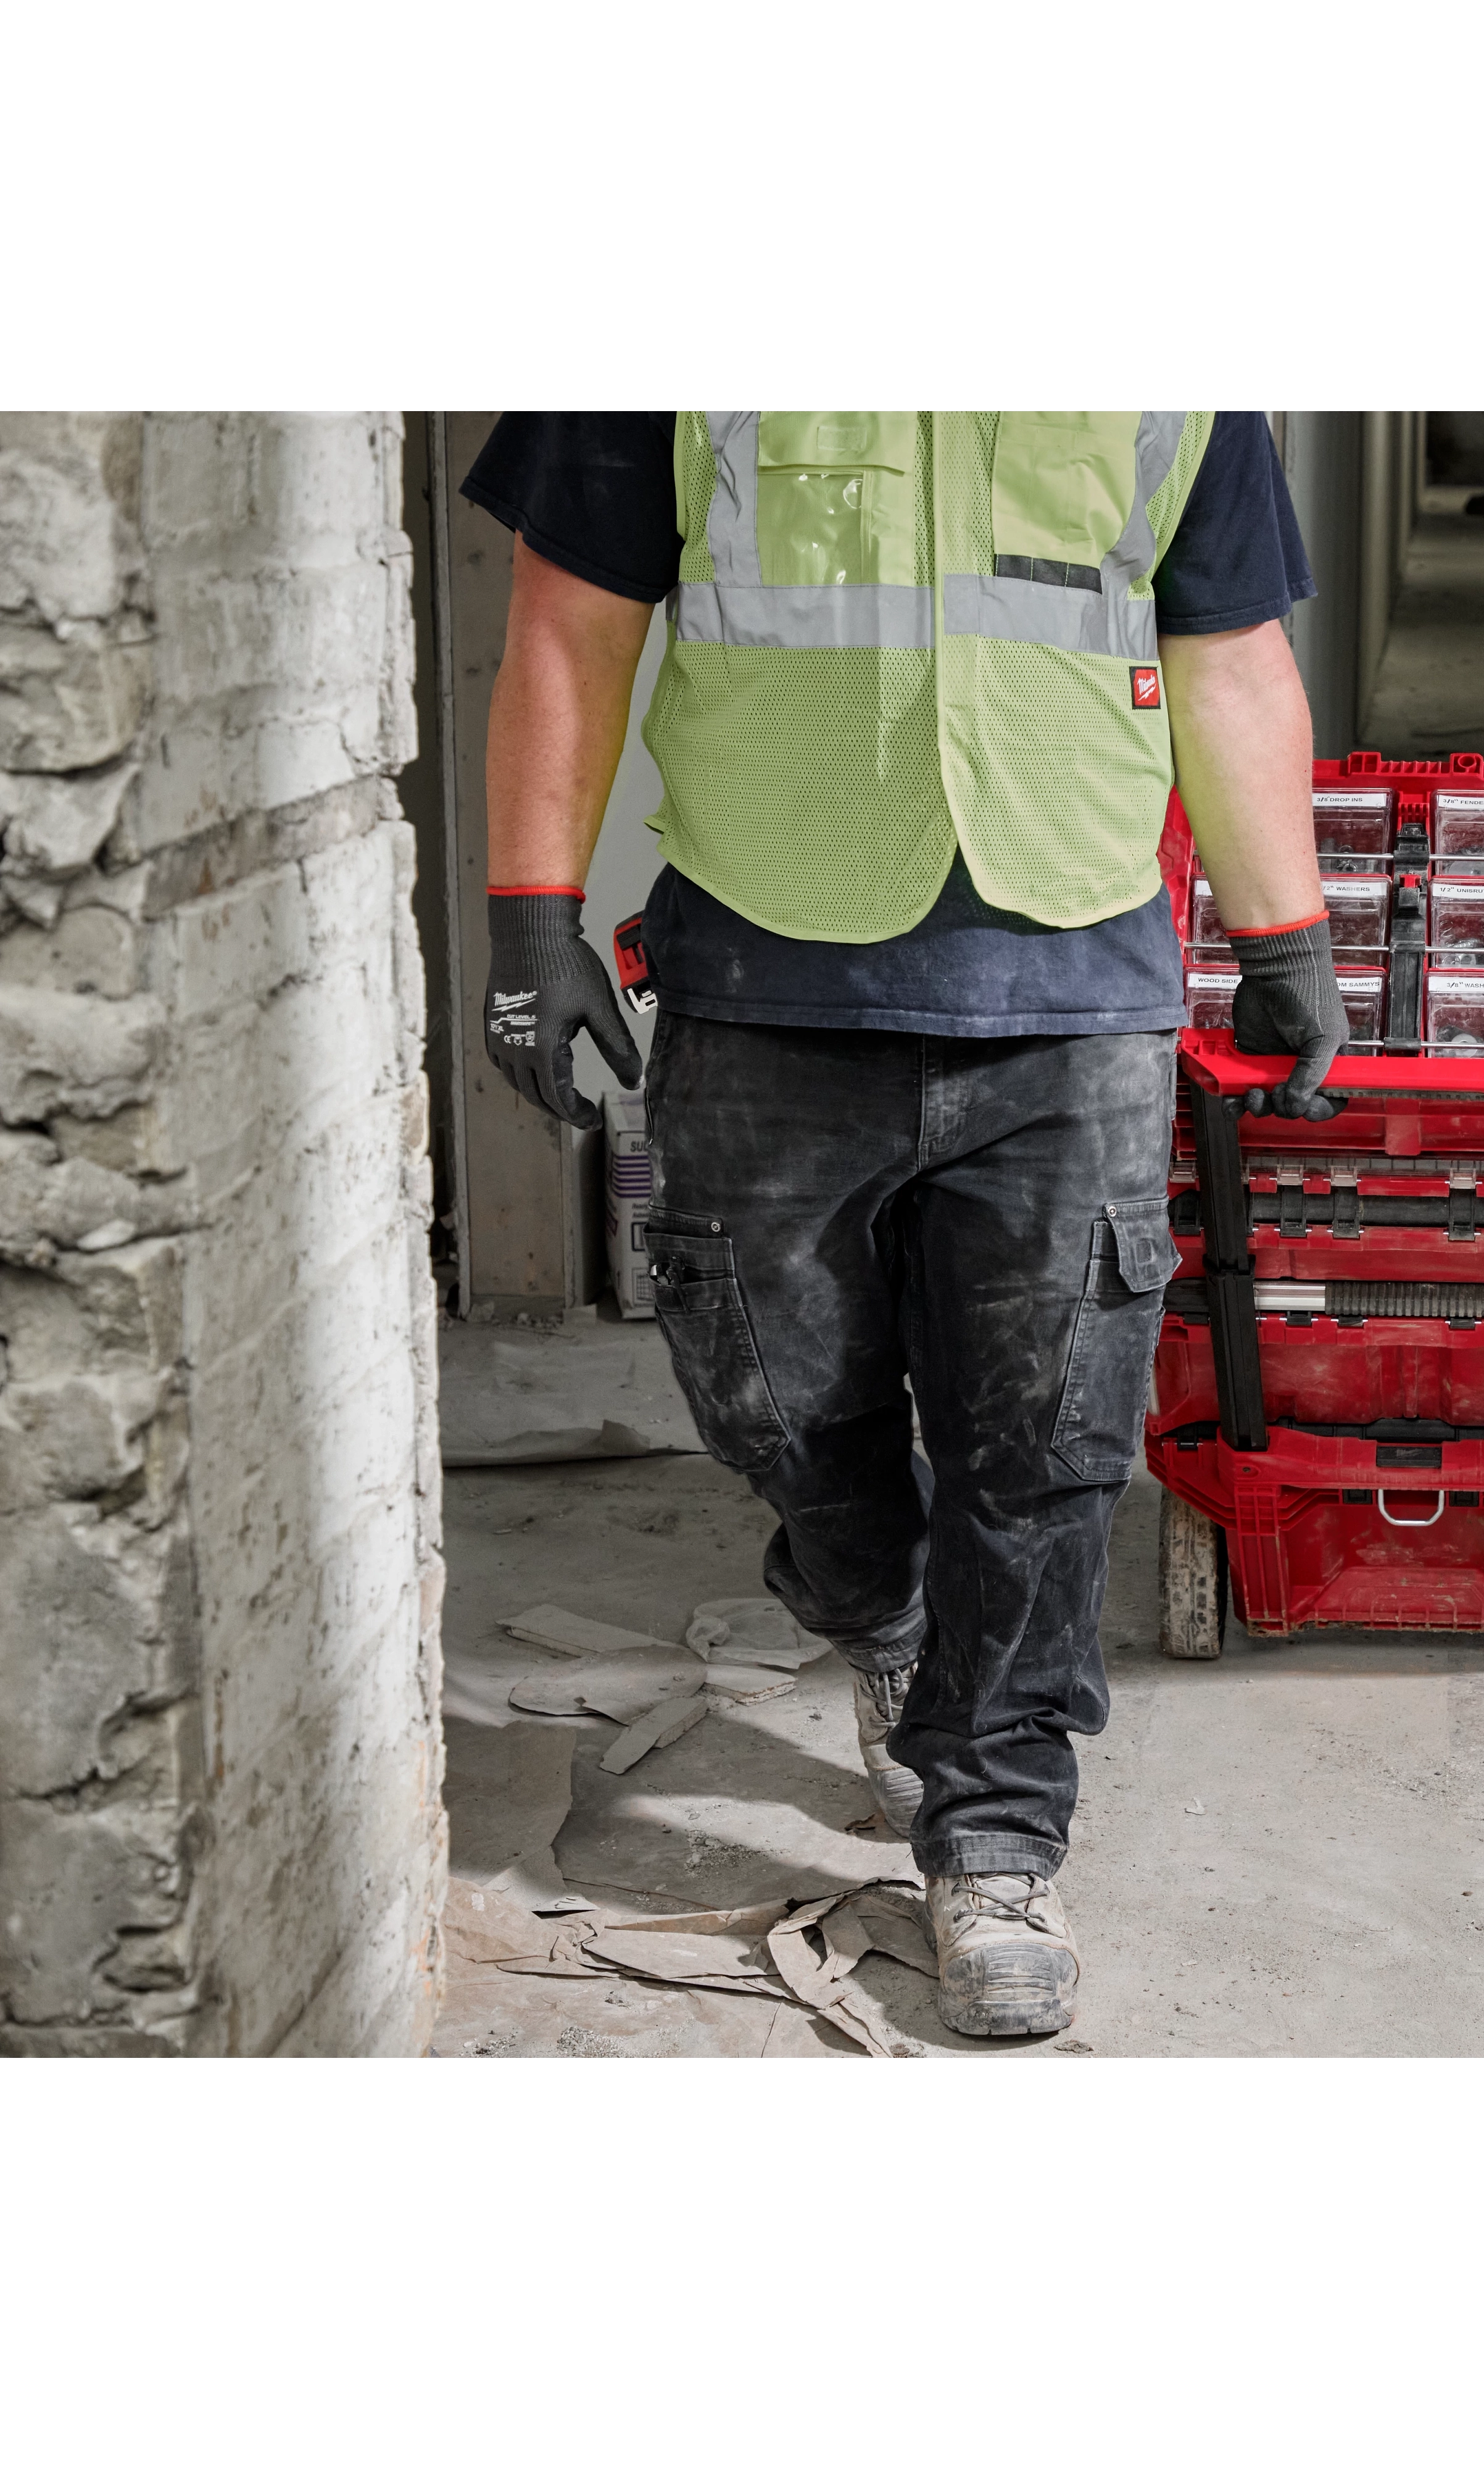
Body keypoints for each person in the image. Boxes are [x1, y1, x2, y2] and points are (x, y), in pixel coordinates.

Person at [465, 410, 1342, 2037]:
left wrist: (1283, 923)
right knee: (770, 1396)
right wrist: (533, 918)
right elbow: (572, 617)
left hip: (1074, 980)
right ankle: (885, 1606)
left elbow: (1224, 646)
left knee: (1051, 1438)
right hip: (768, 961)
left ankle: (996, 1831)